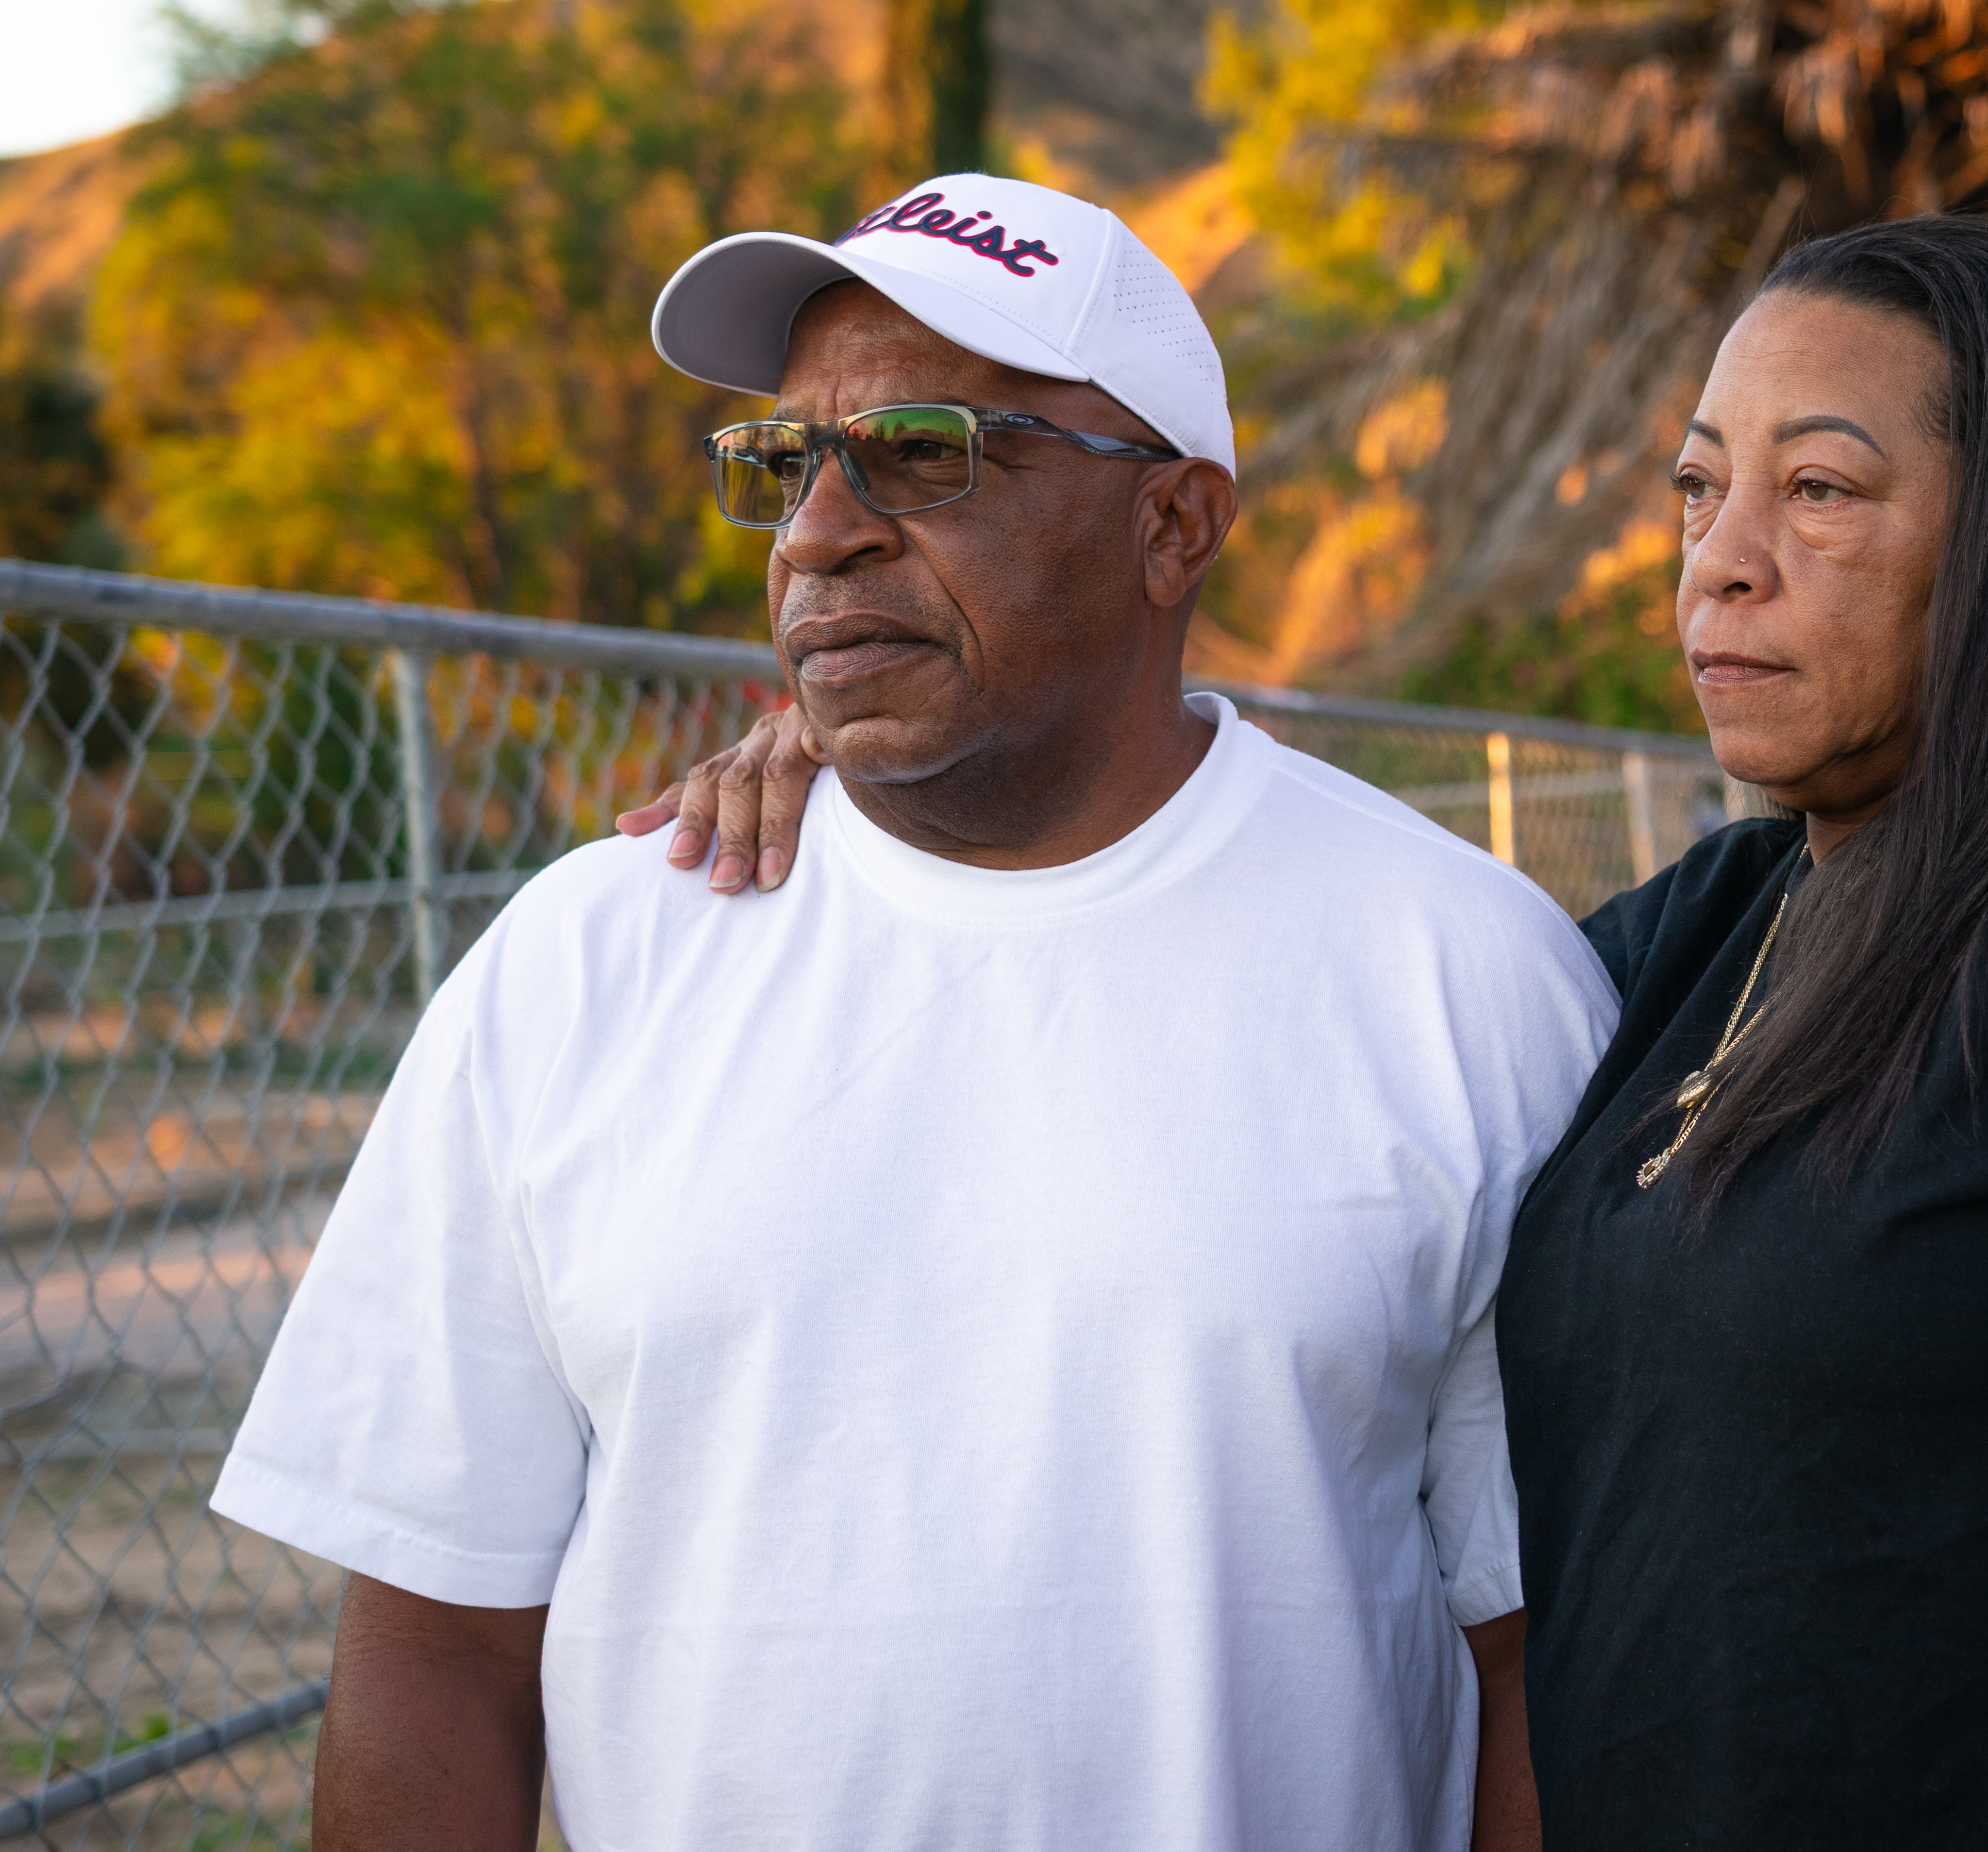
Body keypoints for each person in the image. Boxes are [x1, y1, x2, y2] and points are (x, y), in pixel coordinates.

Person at [636, 212, 1988, 1849]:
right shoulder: (1707, 936)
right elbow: (1283, 941)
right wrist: (900, 755)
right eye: (1696, 489)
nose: (1722, 562)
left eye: (1818, 491)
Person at [215, 173, 1608, 1852]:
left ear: (1175, 524)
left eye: (925, 453)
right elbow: (439, 1646)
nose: (817, 533)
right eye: (784, 463)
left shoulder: (1464, 972)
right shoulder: (581, 964)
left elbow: (1536, 1652)